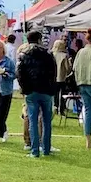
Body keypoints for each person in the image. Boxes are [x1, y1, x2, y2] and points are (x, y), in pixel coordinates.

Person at [17, 30, 58, 158]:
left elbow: (20, 74)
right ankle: (46, 149)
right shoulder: (48, 55)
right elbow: (54, 72)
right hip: (46, 90)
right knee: (46, 121)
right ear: (40, 40)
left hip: (31, 91)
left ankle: (34, 150)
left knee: (32, 120)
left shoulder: (23, 55)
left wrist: (24, 89)